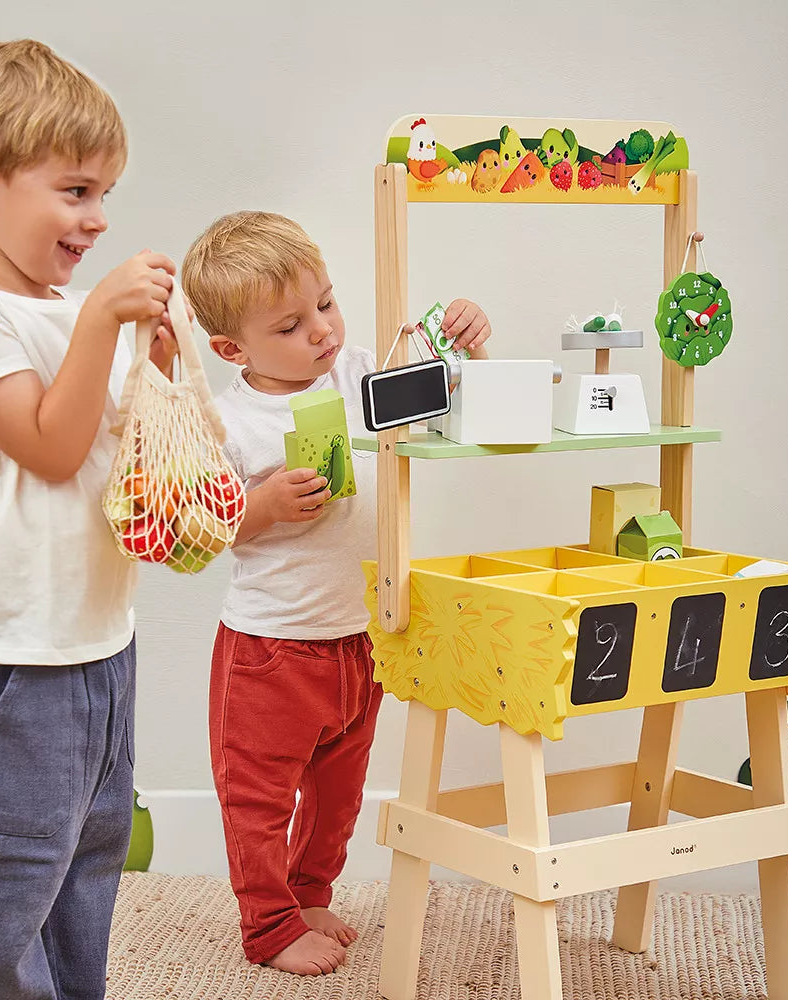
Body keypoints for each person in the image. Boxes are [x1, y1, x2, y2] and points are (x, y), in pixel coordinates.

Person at [0, 39, 179, 1000]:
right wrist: (104, 320)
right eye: (75, 191)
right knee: (18, 876)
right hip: (21, 658)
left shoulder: (67, 311)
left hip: (102, 641)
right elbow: (50, 445)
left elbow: (111, 448)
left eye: (105, 193)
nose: (97, 218)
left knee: (88, 866)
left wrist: (146, 355)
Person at [181, 211, 491, 976]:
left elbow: (447, 405)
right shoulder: (227, 418)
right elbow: (197, 525)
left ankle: (310, 891)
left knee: (338, 792)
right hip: (270, 648)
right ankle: (268, 924)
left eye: (326, 302)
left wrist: (468, 346)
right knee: (259, 798)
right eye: (290, 324)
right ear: (232, 348)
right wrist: (262, 507)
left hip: (358, 636)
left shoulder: (356, 374)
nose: (320, 329)